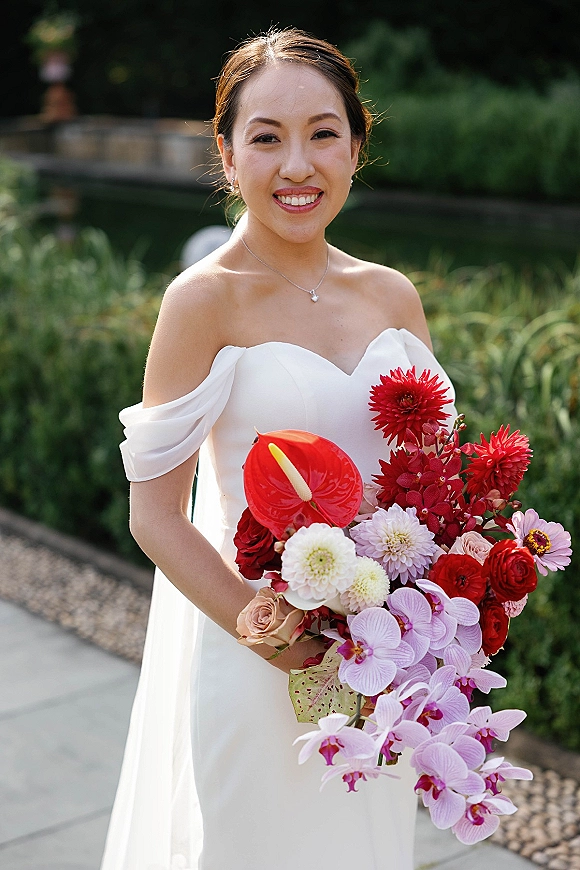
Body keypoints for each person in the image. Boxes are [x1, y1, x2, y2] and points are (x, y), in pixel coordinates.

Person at [101, 27, 457, 870]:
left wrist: (460, 584)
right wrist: (272, 638)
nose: (297, 165)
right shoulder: (203, 302)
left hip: (384, 660)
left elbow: (436, 475)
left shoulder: (391, 295)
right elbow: (154, 514)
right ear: (228, 157)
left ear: (356, 146)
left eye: (322, 133)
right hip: (262, 659)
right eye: (267, 138)